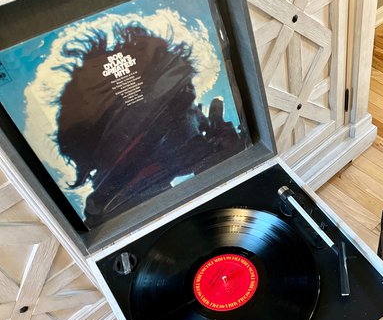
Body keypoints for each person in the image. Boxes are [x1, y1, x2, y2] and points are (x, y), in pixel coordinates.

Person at [55, 23, 247, 228]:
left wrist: (226, 171)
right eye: (185, 104)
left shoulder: (115, 212)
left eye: (191, 103)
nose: (202, 117)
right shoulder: (116, 216)